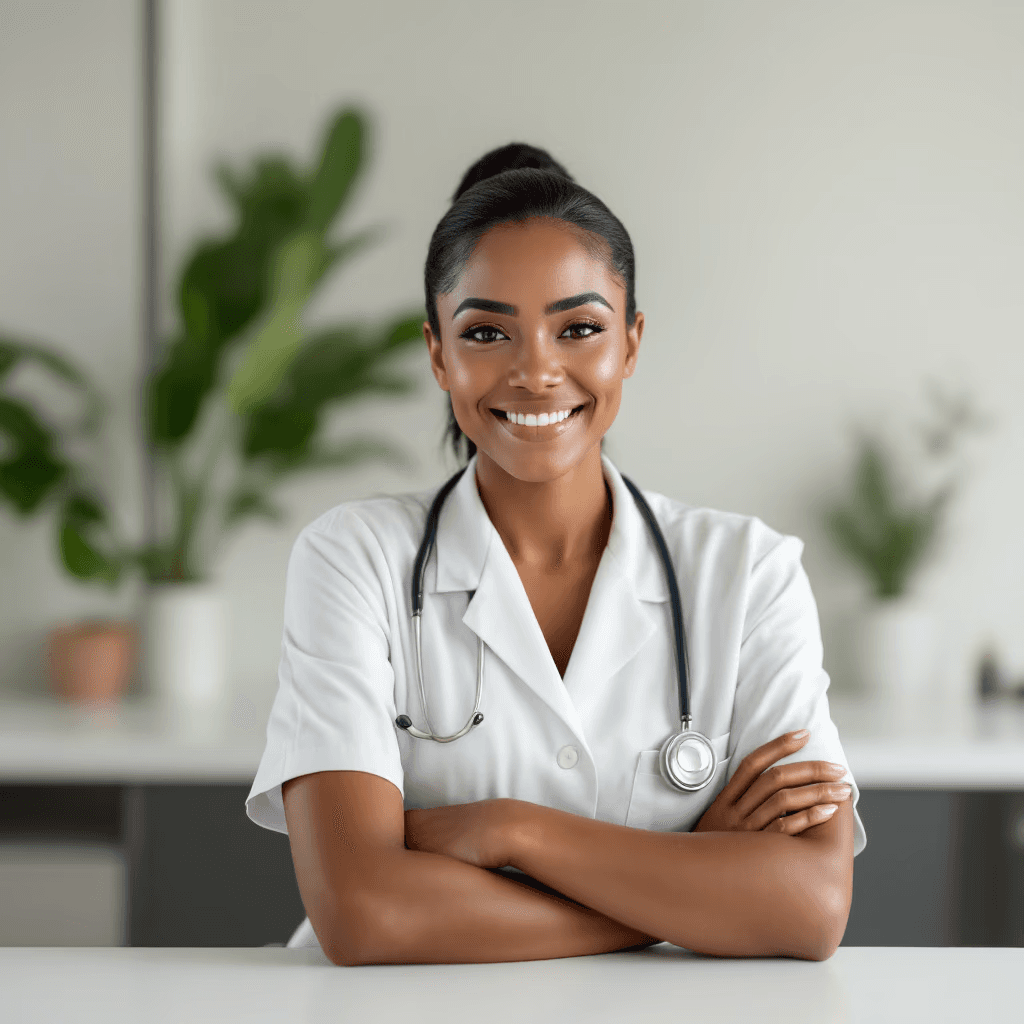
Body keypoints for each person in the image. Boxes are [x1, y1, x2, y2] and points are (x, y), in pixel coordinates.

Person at [245, 143, 867, 966]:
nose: (537, 371)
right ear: (438, 353)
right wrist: (687, 885)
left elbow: (812, 907)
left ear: (631, 344)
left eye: (578, 327)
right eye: (487, 332)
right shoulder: (353, 560)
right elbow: (364, 915)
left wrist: (509, 829)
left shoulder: (749, 574)